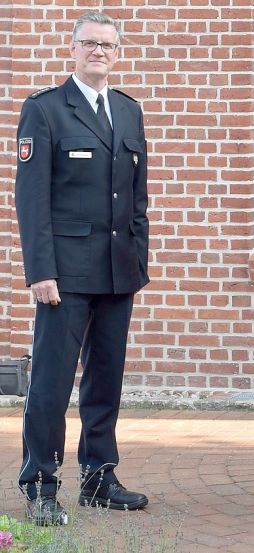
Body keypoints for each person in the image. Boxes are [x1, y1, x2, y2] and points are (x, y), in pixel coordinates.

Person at [15, 11, 150, 525]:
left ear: (118, 53)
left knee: (105, 379)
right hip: (64, 274)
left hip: (118, 271)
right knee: (52, 381)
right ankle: (41, 480)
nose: (99, 51)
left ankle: (99, 477)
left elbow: (137, 195)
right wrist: (40, 270)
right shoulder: (46, 110)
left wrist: (138, 257)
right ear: (72, 49)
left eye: (108, 45)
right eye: (90, 43)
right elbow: (32, 199)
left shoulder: (128, 111)